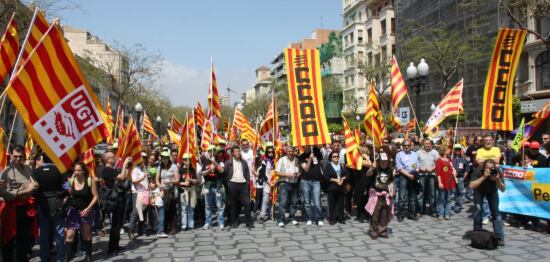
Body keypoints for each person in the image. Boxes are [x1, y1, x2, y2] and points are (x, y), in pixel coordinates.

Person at [0, 145, 38, 261]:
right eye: (15, 156)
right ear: (11, 155)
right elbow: (6, 194)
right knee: (9, 239)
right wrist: (27, 190)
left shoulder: (27, 169)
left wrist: (35, 186)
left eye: (20, 156)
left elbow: (33, 184)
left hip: (26, 208)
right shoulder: (6, 172)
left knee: (24, 238)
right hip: (12, 209)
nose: (17, 159)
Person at [33, 153, 67, 262]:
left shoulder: (35, 172)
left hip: (42, 205)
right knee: (59, 233)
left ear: (43, 159)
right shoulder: (60, 170)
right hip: (58, 203)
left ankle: (44, 257)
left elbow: (33, 189)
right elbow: (67, 187)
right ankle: (59, 258)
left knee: (44, 232)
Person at [64, 162, 98, 262]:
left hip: (86, 211)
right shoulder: (71, 181)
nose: (77, 172)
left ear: (84, 171)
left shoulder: (90, 181)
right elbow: (70, 193)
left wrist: (87, 209)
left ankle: (88, 255)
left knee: (86, 234)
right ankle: (67, 257)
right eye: (75, 170)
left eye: (79, 170)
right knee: (70, 234)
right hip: (73, 211)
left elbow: (95, 196)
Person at [470, 159, 505, 246]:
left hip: (492, 191)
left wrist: (497, 179)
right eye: (488, 169)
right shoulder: (478, 170)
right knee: (478, 211)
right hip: (479, 190)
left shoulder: (497, 171)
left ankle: (499, 237)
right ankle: (477, 235)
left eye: (492, 168)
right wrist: (483, 177)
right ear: (484, 167)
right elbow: (471, 186)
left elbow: (503, 189)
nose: (491, 170)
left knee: (496, 213)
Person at [102, 153, 131, 255]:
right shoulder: (107, 170)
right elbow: (121, 177)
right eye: (113, 157)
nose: (115, 158)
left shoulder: (112, 169)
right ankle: (112, 248)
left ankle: (116, 245)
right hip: (115, 200)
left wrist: (127, 167)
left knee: (118, 224)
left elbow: (124, 176)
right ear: (107, 160)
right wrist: (124, 164)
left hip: (120, 198)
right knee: (115, 224)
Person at [222, 146, 254, 229]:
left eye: (239, 151)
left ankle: (249, 222)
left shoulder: (244, 162)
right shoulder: (228, 162)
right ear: (232, 153)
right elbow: (224, 174)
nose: (238, 153)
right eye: (236, 151)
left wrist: (247, 183)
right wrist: (227, 184)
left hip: (243, 184)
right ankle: (234, 221)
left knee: (247, 203)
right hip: (232, 184)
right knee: (233, 204)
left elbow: (247, 173)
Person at [365, 151, 394, 239]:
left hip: (386, 195)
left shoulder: (389, 170)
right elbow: (368, 174)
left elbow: (391, 181)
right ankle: (374, 231)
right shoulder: (375, 169)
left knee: (384, 214)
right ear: (379, 162)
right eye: (382, 161)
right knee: (375, 214)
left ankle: (382, 231)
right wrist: (371, 168)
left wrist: (392, 192)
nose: (384, 163)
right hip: (376, 195)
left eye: (385, 161)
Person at [201, 147, 226, 230]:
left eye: (213, 151)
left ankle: (221, 223)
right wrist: (209, 170)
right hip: (208, 186)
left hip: (218, 186)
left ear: (216, 152)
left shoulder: (220, 161)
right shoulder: (205, 161)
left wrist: (215, 163)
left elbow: (222, 171)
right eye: (210, 151)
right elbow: (203, 173)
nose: (212, 152)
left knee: (220, 205)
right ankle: (208, 222)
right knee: (208, 206)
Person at [156, 151, 180, 235]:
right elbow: (157, 180)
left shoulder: (174, 167)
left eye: (165, 158)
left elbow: (177, 180)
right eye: (162, 158)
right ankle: (165, 226)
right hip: (163, 190)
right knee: (164, 209)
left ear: (168, 158)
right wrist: (160, 186)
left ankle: (174, 227)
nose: (164, 160)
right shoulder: (159, 167)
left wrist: (170, 181)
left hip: (172, 190)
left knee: (172, 209)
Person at [275, 146, 300, 227]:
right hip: (284, 183)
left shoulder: (296, 160)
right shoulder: (281, 160)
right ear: (286, 152)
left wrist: (298, 174)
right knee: (283, 202)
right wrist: (286, 174)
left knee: (294, 202)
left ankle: (292, 217)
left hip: (295, 183)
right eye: (289, 151)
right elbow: (276, 172)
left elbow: (299, 171)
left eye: (292, 151)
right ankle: (280, 219)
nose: (291, 153)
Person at [299, 146, 324, 226]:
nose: (306, 147)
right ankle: (309, 218)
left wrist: (316, 154)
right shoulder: (302, 156)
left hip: (316, 181)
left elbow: (322, 163)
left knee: (317, 201)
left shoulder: (317, 153)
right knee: (307, 201)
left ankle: (319, 218)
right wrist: (310, 159)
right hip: (305, 181)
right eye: (305, 146)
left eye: (308, 146)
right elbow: (306, 169)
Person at [395, 140, 419, 222]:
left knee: (412, 197)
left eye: (408, 145)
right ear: (402, 146)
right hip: (403, 176)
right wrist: (409, 175)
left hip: (413, 176)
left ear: (411, 145)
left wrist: (415, 174)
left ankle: (411, 214)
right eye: (405, 145)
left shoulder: (415, 154)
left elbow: (417, 166)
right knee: (402, 197)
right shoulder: (399, 155)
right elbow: (399, 168)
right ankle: (400, 214)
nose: (406, 146)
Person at [323, 151, 348, 225]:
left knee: (341, 203)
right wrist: (333, 180)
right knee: (332, 203)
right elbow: (325, 176)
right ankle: (332, 218)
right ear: (331, 158)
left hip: (341, 186)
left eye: (337, 156)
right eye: (334, 156)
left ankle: (341, 217)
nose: (336, 158)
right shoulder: (328, 166)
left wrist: (343, 179)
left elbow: (347, 173)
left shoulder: (342, 165)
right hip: (332, 187)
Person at [416, 138, 439, 217]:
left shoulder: (434, 152)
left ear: (431, 144)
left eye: (429, 143)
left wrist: (433, 168)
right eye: (426, 143)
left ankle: (433, 211)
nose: (428, 145)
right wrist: (419, 168)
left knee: (432, 194)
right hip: (421, 175)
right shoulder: (418, 153)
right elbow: (414, 164)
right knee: (420, 194)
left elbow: (438, 163)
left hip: (431, 175)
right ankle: (420, 211)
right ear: (423, 144)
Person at [128, 158, 149, 240]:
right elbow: (134, 181)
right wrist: (143, 177)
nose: (143, 160)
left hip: (144, 192)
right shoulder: (135, 170)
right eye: (142, 158)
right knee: (136, 211)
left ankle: (140, 229)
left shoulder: (143, 169)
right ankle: (131, 229)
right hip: (137, 192)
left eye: (144, 158)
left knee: (143, 211)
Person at [178, 153, 198, 230]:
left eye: (189, 159)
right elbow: (177, 182)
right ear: (183, 161)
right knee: (184, 208)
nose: (188, 161)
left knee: (191, 207)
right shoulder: (180, 170)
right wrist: (184, 183)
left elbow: (196, 181)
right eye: (186, 160)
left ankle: (191, 224)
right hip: (183, 190)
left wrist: (191, 180)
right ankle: (184, 225)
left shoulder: (192, 169)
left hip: (191, 189)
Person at [435, 148, 456, 220]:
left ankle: (447, 213)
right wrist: (440, 182)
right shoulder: (439, 160)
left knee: (449, 199)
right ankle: (440, 213)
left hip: (450, 182)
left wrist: (454, 171)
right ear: (444, 151)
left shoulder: (450, 160)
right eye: (448, 149)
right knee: (441, 198)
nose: (449, 150)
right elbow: (438, 173)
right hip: (443, 181)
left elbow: (452, 168)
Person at [257, 145, 275, 223]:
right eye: (269, 152)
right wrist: (269, 182)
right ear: (267, 153)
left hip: (274, 182)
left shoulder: (275, 160)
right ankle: (262, 215)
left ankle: (271, 214)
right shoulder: (265, 161)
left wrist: (275, 181)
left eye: (272, 152)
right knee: (266, 199)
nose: (270, 153)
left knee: (273, 199)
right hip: (267, 182)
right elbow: (263, 174)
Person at [452, 144, 469, 213]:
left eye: (459, 149)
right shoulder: (451, 158)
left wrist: (463, 177)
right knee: (453, 193)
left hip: (460, 177)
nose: (457, 151)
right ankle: (452, 205)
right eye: (456, 149)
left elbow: (467, 169)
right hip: (452, 177)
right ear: (454, 150)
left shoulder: (464, 158)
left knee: (459, 192)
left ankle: (458, 207)